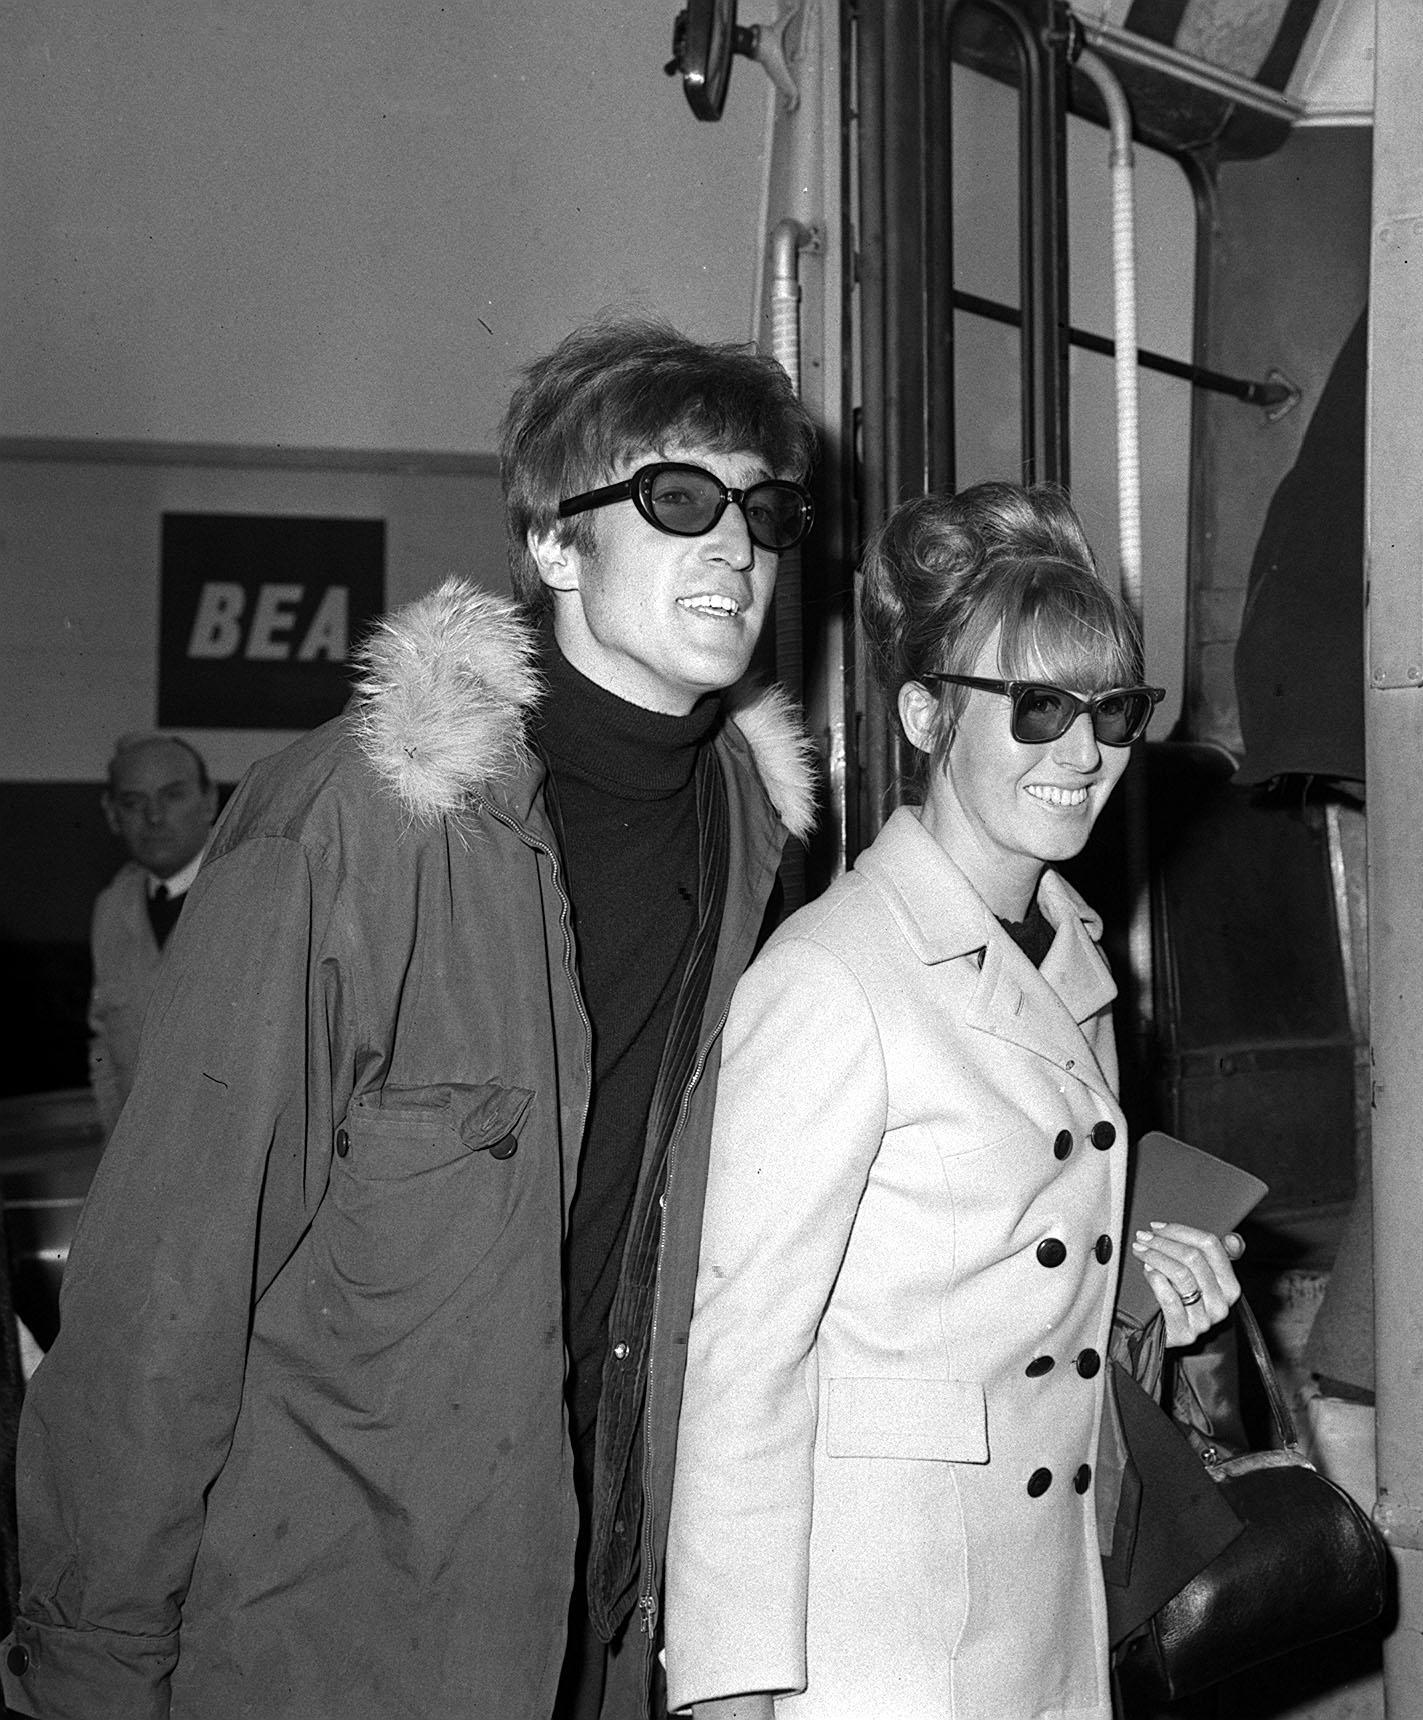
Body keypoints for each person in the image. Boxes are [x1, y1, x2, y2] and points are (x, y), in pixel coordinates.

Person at [3, 317, 817, 1720]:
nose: (734, 544)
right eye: (677, 500)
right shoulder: (352, 827)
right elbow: (164, 1287)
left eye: (762, 508)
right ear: (555, 545)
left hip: (596, 1619)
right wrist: (89, 1665)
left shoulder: (747, 834)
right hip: (331, 1637)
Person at [663, 482, 1243, 1720]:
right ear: (925, 713)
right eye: (1035, 708)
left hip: (1041, 1619)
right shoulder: (834, 977)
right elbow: (741, 1362)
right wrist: (734, 1691)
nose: (1081, 752)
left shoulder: (1071, 959)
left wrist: (1144, 1298)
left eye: (1110, 711)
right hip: (880, 1645)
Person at [87, 732, 218, 1137]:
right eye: (133, 802)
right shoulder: (112, 908)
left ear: (210, 800)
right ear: (111, 813)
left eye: (173, 795)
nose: (154, 817)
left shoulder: (258, 893)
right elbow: (105, 1046)